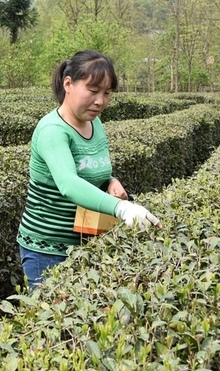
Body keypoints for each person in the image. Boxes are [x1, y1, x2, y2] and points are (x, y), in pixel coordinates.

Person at [17, 50, 161, 288]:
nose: (100, 101)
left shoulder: (94, 123)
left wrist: (110, 181)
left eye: (107, 93)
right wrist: (122, 208)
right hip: (49, 250)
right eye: (93, 91)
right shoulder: (53, 130)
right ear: (68, 84)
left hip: (86, 241)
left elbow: (92, 169)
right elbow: (69, 183)